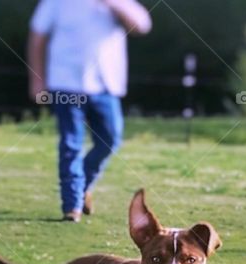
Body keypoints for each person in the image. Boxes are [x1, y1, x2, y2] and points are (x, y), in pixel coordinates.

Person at [27, 0, 152, 222]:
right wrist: (37, 79)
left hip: (106, 85)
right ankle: (72, 206)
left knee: (110, 140)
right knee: (71, 143)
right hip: (66, 82)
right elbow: (37, 36)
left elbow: (142, 25)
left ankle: (83, 185)